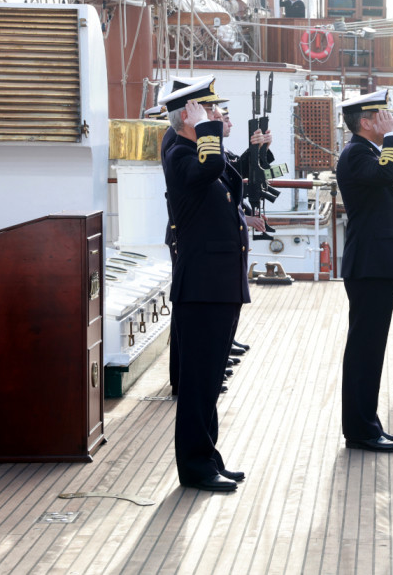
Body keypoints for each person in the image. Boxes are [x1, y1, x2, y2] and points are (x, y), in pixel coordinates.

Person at [161, 75, 249, 491]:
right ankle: (195, 467)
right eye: (208, 110)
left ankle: (209, 456)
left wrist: (208, 129)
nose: (216, 115)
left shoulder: (195, 150)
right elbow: (211, 165)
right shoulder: (179, 153)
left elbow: (229, 176)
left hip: (219, 286)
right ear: (187, 117)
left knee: (210, 381)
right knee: (197, 384)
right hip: (201, 287)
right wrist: (204, 129)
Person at [336, 89, 393, 452]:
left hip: (378, 264)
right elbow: (385, 176)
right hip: (370, 265)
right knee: (365, 350)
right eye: (381, 114)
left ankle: (368, 423)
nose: (388, 118)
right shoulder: (355, 154)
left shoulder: (367, 152)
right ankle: (360, 429)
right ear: (365, 122)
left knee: (371, 349)